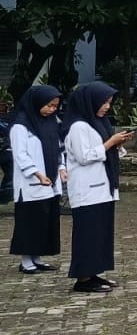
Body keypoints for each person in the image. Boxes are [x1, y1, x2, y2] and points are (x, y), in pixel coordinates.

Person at [61, 82, 134, 294]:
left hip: (103, 187)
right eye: (103, 102)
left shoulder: (98, 123)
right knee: (87, 233)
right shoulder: (78, 126)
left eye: (109, 103)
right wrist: (110, 143)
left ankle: (94, 273)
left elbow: (104, 150)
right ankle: (83, 279)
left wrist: (117, 144)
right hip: (86, 189)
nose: (107, 107)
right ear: (89, 102)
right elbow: (84, 157)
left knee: (100, 233)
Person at [9, 85, 63, 275]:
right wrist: (37, 173)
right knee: (29, 222)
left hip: (50, 181)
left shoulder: (52, 122)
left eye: (55, 106)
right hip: (31, 184)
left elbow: (58, 148)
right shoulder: (21, 126)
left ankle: (37, 258)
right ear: (37, 103)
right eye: (48, 105)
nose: (52, 109)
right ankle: (26, 261)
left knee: (45, 221)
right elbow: (20, 155)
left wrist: (61, 168)